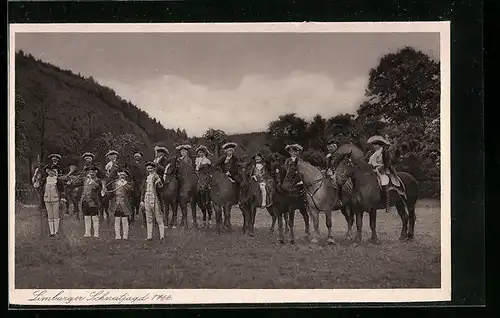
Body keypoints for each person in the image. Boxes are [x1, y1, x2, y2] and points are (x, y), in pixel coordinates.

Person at [68, 164, 102, 237]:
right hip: (84, 200)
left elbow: (97, 187)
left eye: (93, 171)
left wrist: (91, 180)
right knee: (86, 217)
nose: (91, 173)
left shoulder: (98, 180)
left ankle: (96, 233)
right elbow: (76, 184)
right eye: (90, 171)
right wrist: (71, 183)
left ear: (96, 172)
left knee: (95, 217)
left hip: (93, 201)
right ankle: (87, 233)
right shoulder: (84, 179)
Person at [367, 135, 397, 213]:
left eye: (376, 144)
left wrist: (379, 169)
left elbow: (387, 163)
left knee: (384, 182)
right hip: (372, 171)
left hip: (383, 171)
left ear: (380, 145)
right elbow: (369, 163)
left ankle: (387, 203)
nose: (374, 146)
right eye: (373, 144)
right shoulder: (373, 153)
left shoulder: (385, 152)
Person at [36, 165, 66, 237]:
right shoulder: (45, 180)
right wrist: (37, 183)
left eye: (53, 171)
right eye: (49, 171)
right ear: (48, 172)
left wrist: (62, 198)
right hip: (47, 200)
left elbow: (62, 190)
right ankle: (51, 232)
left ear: (55, 172)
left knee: (55, 215)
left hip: (55, 199)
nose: (51, 173)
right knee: (50, 216)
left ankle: (56, 231)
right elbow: (40, 189)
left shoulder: (58, 180)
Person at [140, 162, 165, 242]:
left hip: (155, 198)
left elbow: (160, 188)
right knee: (148, 217)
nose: (149, 170)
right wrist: (142, 200)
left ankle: (162, 236)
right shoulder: (146, 178)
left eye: (151, 168)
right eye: (148, 168)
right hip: (147, 197)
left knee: (158, 217)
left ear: (154, 168)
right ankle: (149, 236)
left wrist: (159, 182)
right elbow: (143, 190)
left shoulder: (157, 177)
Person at [107, 169, 134, 239]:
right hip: (116, 203)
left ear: (126, 176)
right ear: (118, 175)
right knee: (117, 219)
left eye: (123, 175)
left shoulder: (128, 183)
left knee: (125, 219)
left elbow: (131, 190)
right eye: (120, 175)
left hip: (125, 203)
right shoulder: (114, 183)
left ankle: (125, 235)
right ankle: (117, 235)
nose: (122, 176)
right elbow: (111, 192)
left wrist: (124, 184)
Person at [130, 151, 146, 222]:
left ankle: (139, 213)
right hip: (133, 181)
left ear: (140, 157)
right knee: (132, 196)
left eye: (138, 156)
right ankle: (132, 215)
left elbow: (145, 173)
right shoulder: (131, 164)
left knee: (141, 195)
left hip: (141, 181)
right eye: (135, 156)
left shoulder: (143, 164)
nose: (136, 157)